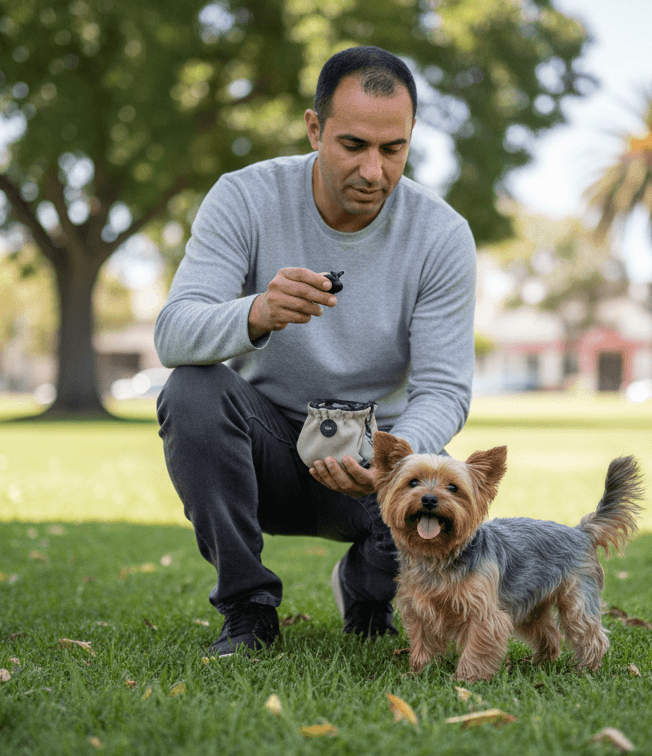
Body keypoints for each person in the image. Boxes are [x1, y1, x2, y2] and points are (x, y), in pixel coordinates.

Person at [153, 45, 477, 656]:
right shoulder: (244, 197)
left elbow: (444, 389)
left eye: (393, 149)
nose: (374, 172)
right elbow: (173, 331)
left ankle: (366, 587)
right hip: (267, 448)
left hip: (375, 459)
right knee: (192, 389)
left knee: (442, 480)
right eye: (353, 146)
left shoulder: (441, 234)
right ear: (313, 128)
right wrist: (256, 312)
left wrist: (392, 461)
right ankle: (248, 608)